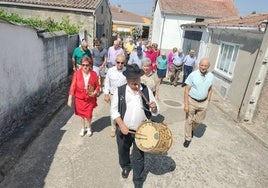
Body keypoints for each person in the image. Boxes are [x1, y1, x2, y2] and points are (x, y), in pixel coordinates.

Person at [111, 64, 159, 188]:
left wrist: (153, 108)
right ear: (127, 79)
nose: (134, 80)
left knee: (139, 157)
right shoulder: (120, 90)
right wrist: (121, 125)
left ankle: (137, 179)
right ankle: (126, 166)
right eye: (131, 78)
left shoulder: (146, 90)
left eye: (136, 78)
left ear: (139, 78)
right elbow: (114, 110)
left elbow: (155, 110)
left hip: (141, 131)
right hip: (124, 129)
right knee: (123, 151)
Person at [183, 58, 214, 148]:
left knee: (198, 121)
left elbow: (210, 89)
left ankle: (192, 128)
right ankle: (187, 138)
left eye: (205, 66)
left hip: (203, 103)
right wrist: (186, 104)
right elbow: (186, 90)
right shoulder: (193, 75)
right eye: (202, 65)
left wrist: (208, 100)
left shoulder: (211, 76)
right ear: (199, 65)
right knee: (189, 120)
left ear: (208, 66)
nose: (203, 67)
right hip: (191, 101)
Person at [67, 56, 101, 137]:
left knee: (89, 114)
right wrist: (70, 98)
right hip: (79, 98)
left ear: (90, 65)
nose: (85, 67)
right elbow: (73, 86)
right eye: (83, 65)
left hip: (90, 98)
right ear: (81, 65)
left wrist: (95, 92)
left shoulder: (93, 74)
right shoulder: (77, 73)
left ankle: (89, 127)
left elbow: (98, 86)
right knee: (81, 114)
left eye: (87, 65)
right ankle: (83, 128)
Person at [103, 55, 127, 137]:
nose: (120, 64)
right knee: (113, 112)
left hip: (124, 95)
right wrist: (106, 94)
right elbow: (106, 83)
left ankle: (122, 127)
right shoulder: (110, 71)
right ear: (115, 62)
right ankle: (113, 128)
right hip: (113, 95)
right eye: (118, 62)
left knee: (123, 112)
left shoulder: (127, 71)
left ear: (124, 63)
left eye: (122, 62)